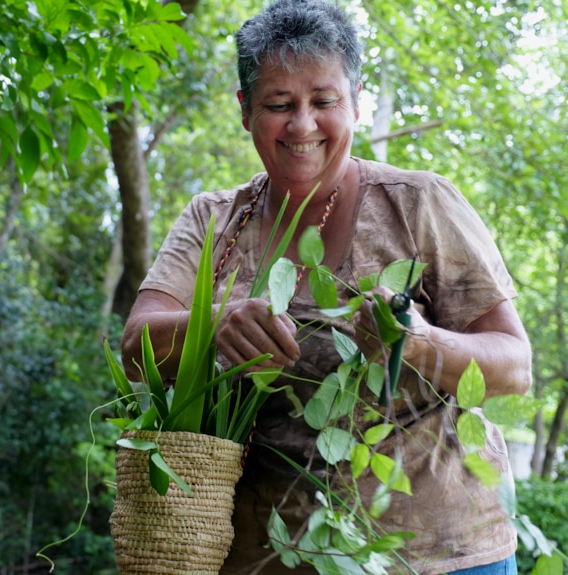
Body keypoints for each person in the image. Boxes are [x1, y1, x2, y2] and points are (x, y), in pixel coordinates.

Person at [120, 0, 533, 573]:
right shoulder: (214, 219)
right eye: (278, 104)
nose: (302, 125)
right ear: (244, 111)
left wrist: (415, 343)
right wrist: (213, 325)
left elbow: (514, 366)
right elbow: (136, 348)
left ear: (356, 100)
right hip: (269, 554)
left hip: (439, 552)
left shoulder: (419, 205)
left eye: (324, 101)